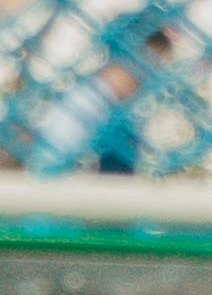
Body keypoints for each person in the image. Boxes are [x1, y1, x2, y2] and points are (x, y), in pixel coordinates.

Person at [27, 13, 174, 176]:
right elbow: (47, 165)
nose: (152, 76)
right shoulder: (85, 103)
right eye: (153, 63)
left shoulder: (118, 110)